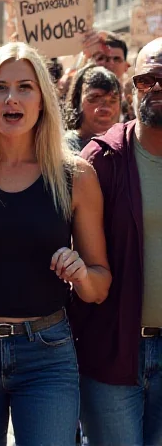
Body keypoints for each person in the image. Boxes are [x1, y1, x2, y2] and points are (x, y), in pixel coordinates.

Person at [0, 42, 111, 446]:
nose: (11, 98)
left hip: (46, 354)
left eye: (25, 87)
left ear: (43, 100)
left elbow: (100, 285)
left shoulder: (75, 175)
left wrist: (81, 273)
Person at [70, 37, 162, 446]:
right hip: (112, 353)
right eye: (146, 80)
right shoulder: (100, 159)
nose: (156, 88)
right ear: (131, 86)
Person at [64, 65, 122, 153]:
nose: (106, 108)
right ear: (77, 102)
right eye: (95, 98)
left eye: (113, 100)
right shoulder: (62, 151)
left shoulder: (126, 149)